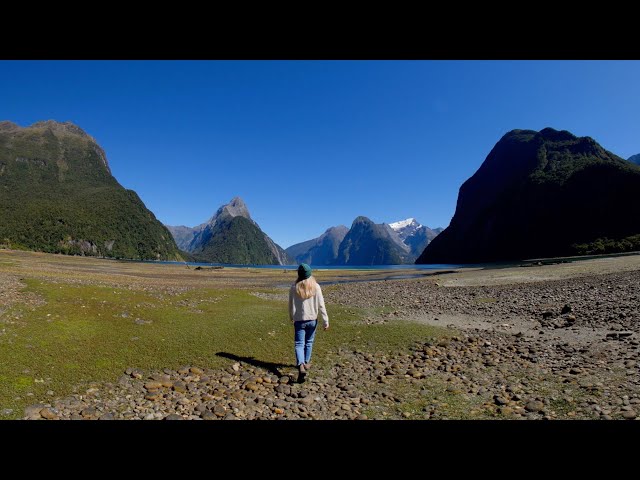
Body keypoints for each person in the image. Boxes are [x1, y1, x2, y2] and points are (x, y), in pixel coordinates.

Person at [288, 263, 329, 377]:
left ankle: (301, 364)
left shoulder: (294, 287)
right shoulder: (316, 286)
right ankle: (306, 363)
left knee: (299, 344)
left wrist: (291, 317)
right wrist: (326, 321)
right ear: (309, 273)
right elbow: (321, 305)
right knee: (309, 342)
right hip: (312, 320)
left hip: (299, 320)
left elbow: (290, 305)